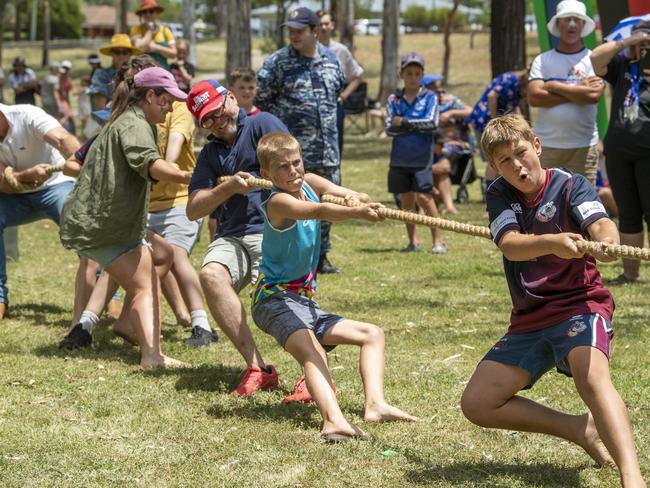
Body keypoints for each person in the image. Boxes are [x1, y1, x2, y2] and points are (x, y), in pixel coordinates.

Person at [460, 114, 645, 488]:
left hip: (581, 304)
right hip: (530, 316)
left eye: (521, 153)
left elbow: (600, 223)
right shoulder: (499, 193)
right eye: (504, 161)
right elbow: (511, 245)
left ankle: (632, 477)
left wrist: (606, 241)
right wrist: (553, 242)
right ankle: (579, 428)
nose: (516, 166)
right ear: (494, 167)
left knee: (592, 380)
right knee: (477, 402)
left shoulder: (570, 184)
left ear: (537, 146)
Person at [252, 131, 419, 442]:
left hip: (304, 304)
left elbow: (342, 193)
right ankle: (333, 421)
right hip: (272, 300)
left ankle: (376, 405)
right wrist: (355, 212)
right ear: (266, 174)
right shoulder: (278, 201)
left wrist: (356, 199)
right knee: (313, 351)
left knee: (372, 334)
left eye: (296, 163)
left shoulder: (311, 183)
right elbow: (318, 211)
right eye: (283, 168)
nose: (293, 172)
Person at [59, 67, 192, 368]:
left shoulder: (127, 118)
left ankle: (142, 343)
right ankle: (151, 356)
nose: (171, 106)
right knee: (145, 285)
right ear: (150, 95)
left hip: (102, 222)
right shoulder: (134, 124)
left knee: (158, 257)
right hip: (106, 224)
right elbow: (150, 164)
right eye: (166, 99)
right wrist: (187, 176)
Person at [185, 80, 287, 395]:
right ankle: (258, 367)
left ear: (231, 98)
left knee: (276, 304)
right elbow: (193, 209)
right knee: (211, 274)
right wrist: (227, 187)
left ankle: (311, 373)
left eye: (218, 109)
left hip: (271, 230)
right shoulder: (210, 153)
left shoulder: (262, 125)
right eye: (207, 119)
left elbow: (297, 172)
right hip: (232, 236)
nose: (217, 120)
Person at [256, 6, 345, 274]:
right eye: (290, 31)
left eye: (299, 31)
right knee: (294, 206)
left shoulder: (332, 60)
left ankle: (322, 256)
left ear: (315, 31)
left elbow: (337, 93)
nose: (294, 36)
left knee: (328, 199)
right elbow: (263, 100)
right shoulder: (278, 62)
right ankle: (293, 256)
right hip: (292, 155)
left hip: (328, 148)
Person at [148, 94, 218, 347]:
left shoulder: (177, 109)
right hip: (144, 203)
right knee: (156, 256)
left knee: (176, 254)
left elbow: (176, 139)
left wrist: (164, 167)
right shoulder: (130, 113)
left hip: (179, 197)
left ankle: (202, 325)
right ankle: (182, 315)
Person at [0, 103, 80, 319]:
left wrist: (81, 162)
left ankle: (108, 296)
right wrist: (25, 175)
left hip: (56, 186)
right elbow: (2, 182)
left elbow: (63, 139)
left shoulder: (27, 115)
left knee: (82, 226)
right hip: (13, 197)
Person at [591, 22, 650, 284]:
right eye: (640, 40)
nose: (644, 46)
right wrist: (627, 43)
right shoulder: (623, 67)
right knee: (627, 213)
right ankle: (630, 273)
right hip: (617, 152)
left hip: (647, 151)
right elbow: (595, 58)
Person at [527, 0, 603, 184]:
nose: (572, 24)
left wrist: (553, 85)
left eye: (577, 20)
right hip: (547, 145)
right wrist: (579, 90)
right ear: (558, 23)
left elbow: (593, 96)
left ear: (583, 25)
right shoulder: (542, 60)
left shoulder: (593, 59)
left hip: (583, 146)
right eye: (567, 19)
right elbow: (535, 97)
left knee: (582, 202)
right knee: (545, 200)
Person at [385, 52, 446, 254]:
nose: (413, 77)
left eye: (417, 73)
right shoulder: (394, 99)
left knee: (425, 197)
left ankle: (438, 240)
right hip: (399, 157)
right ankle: (413, 241)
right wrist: (409, 125)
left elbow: (432, 124)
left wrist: (405, 122)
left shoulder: (430, 97)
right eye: (409, 73)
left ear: (422, 75)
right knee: (406, 199)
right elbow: (389, 128)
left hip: (421, 158)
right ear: (401, 74)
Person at [467, 70, 528, 188]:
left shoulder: (518, 87)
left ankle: (498, 189)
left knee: (501, 157)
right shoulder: (510, 79)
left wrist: (524, 127)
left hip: (493, 121)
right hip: (484, 120)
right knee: (494, 159)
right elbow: (492, 96)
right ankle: (490, 191)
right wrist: (495, 121)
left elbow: (514, 108)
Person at [316, 9, 364, 156]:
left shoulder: (341, 50)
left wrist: (343, 96)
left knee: (335, 151)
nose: (323, 27)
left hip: (334, 108)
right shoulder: (306, 49)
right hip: (311, 109)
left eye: (326, 23)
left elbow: (357, 76)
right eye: (320, 24)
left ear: (332, 25)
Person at [90, 35, 142, 112]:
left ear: (130, 54)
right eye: (117, 52)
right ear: (111, 53)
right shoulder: (101, 75)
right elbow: (101, 110)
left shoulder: (139, 75)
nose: (121, 56)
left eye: (125, 52)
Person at [130, 0, 177, 71]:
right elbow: (138, 48)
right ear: (141, 14)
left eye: (151, 11)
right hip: (141, 72)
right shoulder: (136, 30)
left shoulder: (165, 30)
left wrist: (157, 48)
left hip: (162, 72)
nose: (148, 14)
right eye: (144, 12)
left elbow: (174, 54)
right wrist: (150, 31)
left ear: (157, 13)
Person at [57, 60, 75, 135]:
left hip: (64, 100)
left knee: (70, 116)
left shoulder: (68, 80)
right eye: (64, 67)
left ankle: (73, 134)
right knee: (62, 118)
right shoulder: (57, 78)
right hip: (57, 100)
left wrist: (68, 104)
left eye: (67, 68)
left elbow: (67, 94)